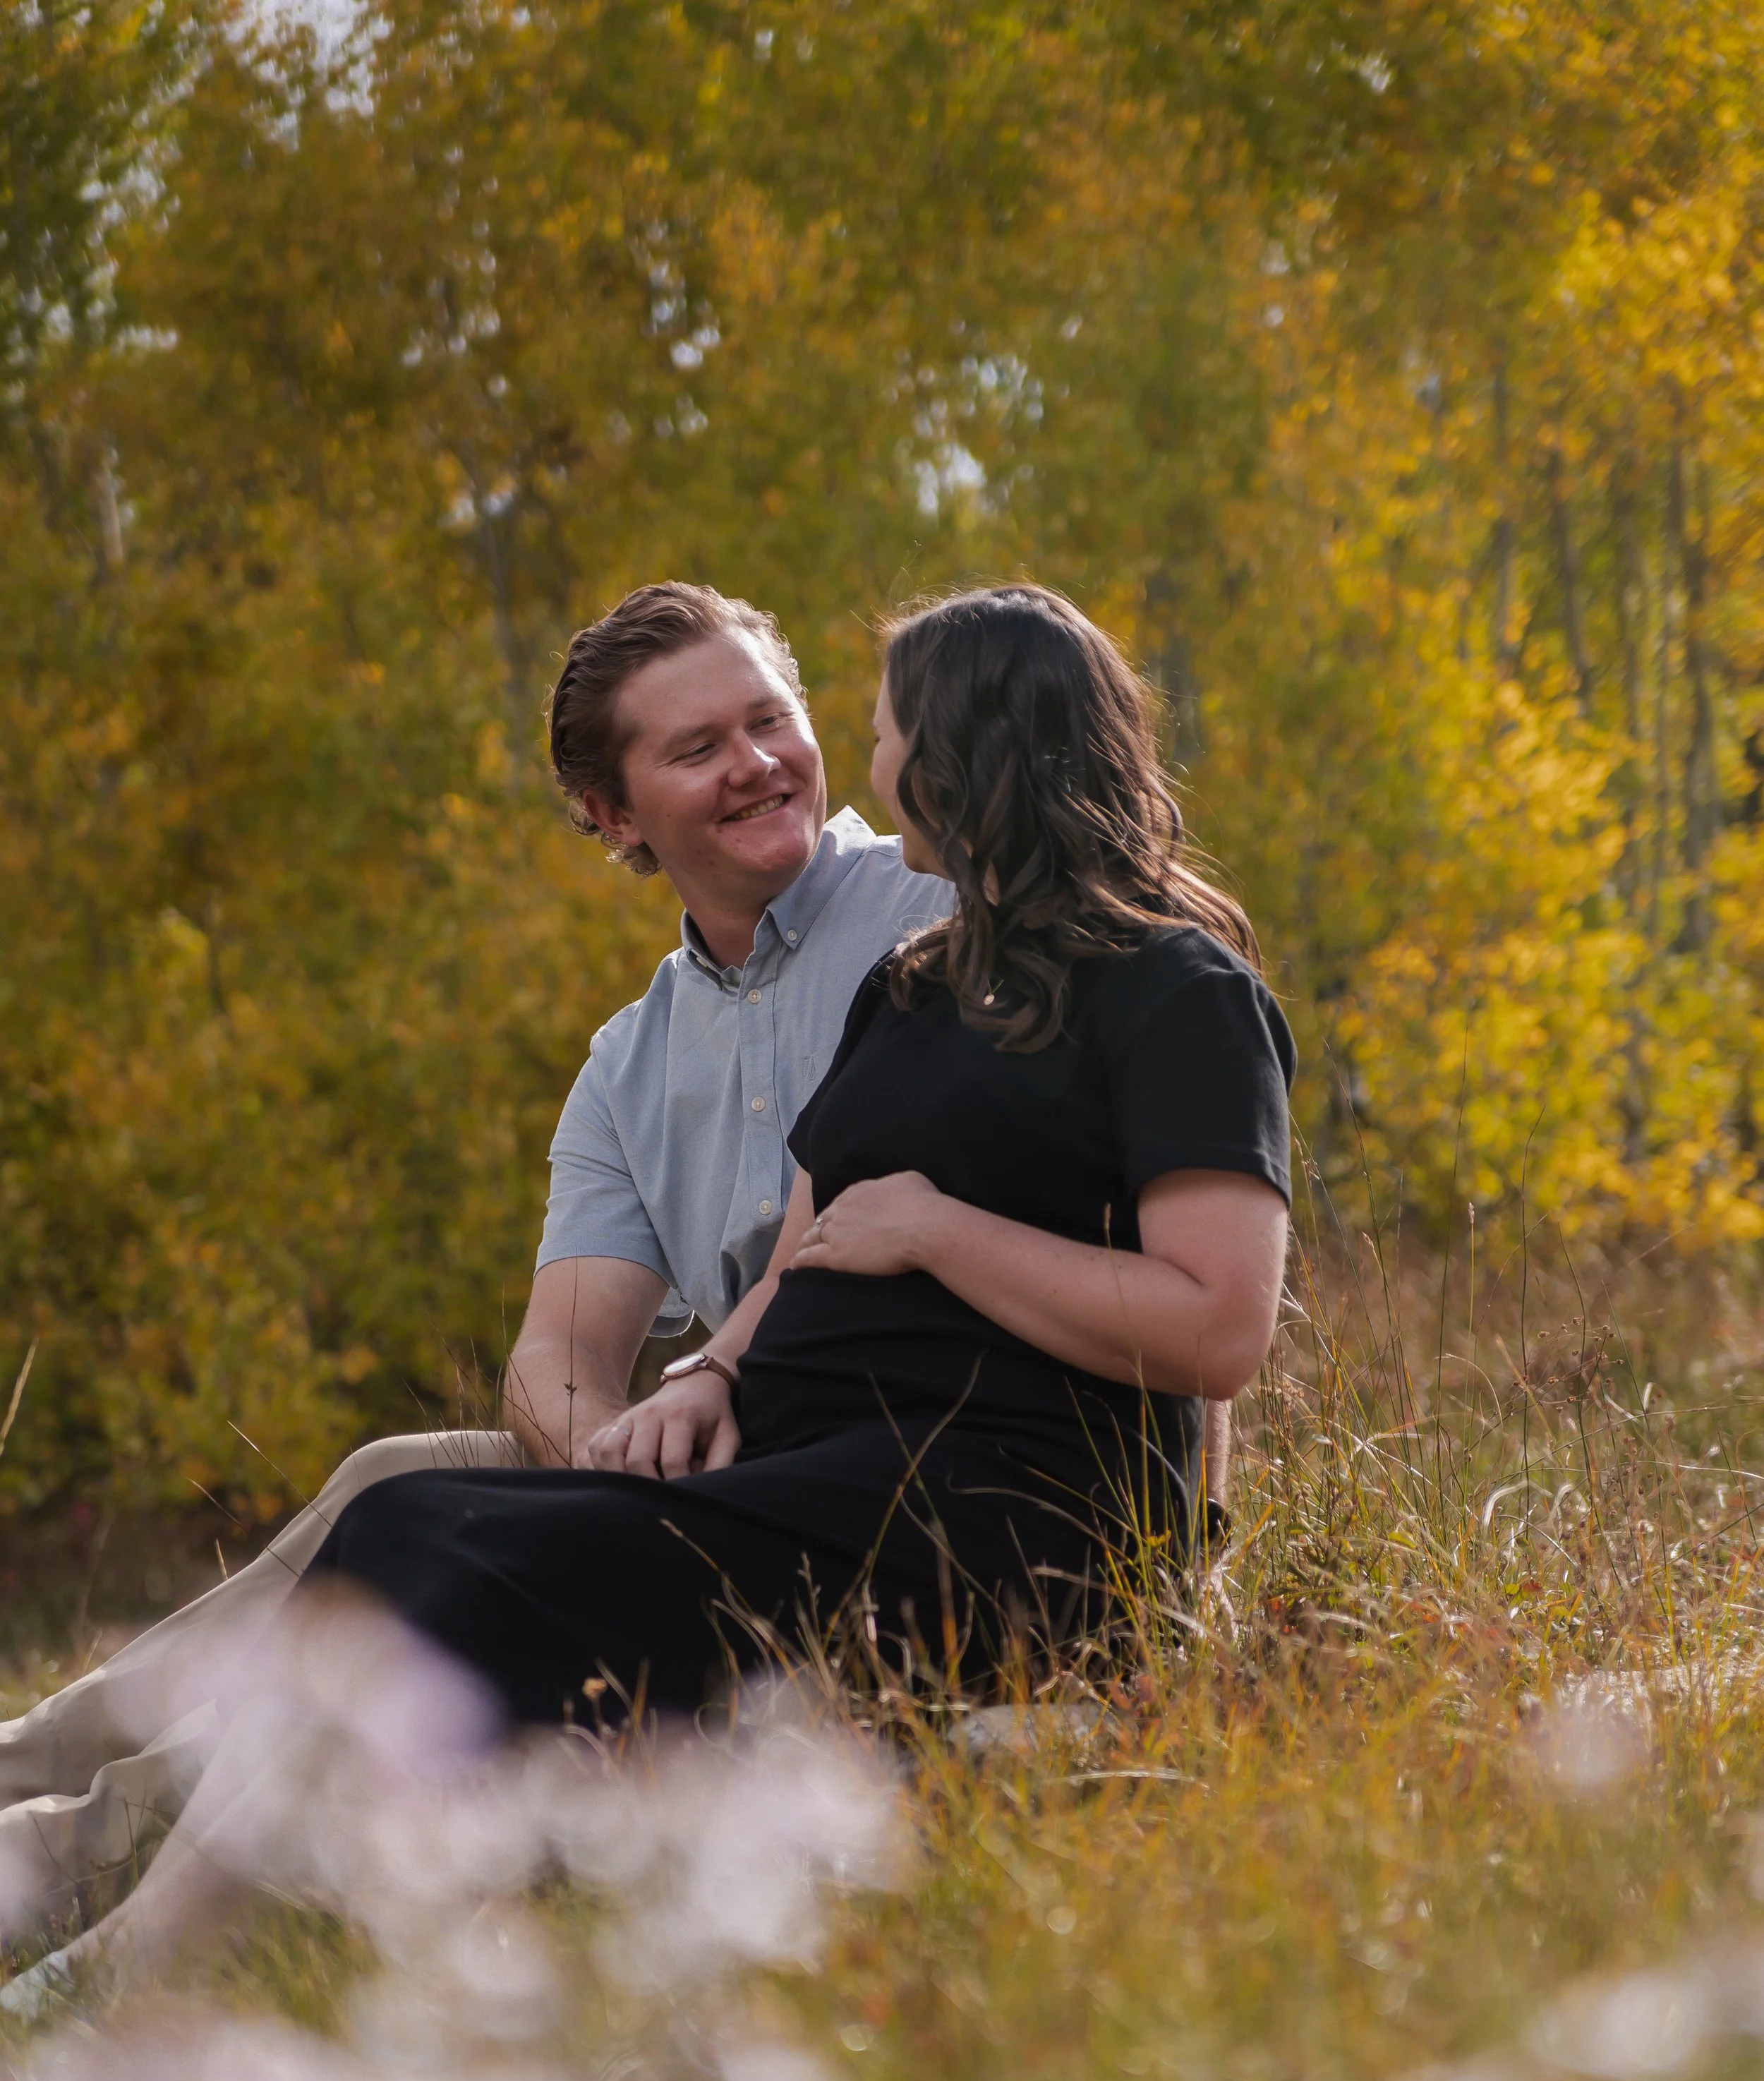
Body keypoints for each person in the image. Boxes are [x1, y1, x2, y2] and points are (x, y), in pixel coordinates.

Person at [4, 584, 1293, 2005]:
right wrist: (695, 1394)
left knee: (435, 1548)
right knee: (398, 1499)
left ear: (951, 758)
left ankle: (99, 1938)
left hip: (941, 1498)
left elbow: (1201, 1321)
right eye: (697, 749)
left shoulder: (1031, 939)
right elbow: (614, 1331)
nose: (776, 763)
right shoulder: (844, 1006)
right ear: (612, 818)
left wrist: (1187, 1562)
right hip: (778, 1459)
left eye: (794, 725)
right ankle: (67, 1843)